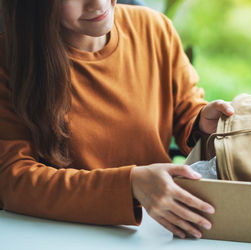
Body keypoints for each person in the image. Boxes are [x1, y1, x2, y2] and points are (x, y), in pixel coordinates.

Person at [0, 0, 235, 239]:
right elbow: (13, 180)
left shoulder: (154, 28)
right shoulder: (10, 59)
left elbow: (186, 108)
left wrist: (201, 124)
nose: (98, 3)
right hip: (60, 236)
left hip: (157, 231)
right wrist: (129, 185)